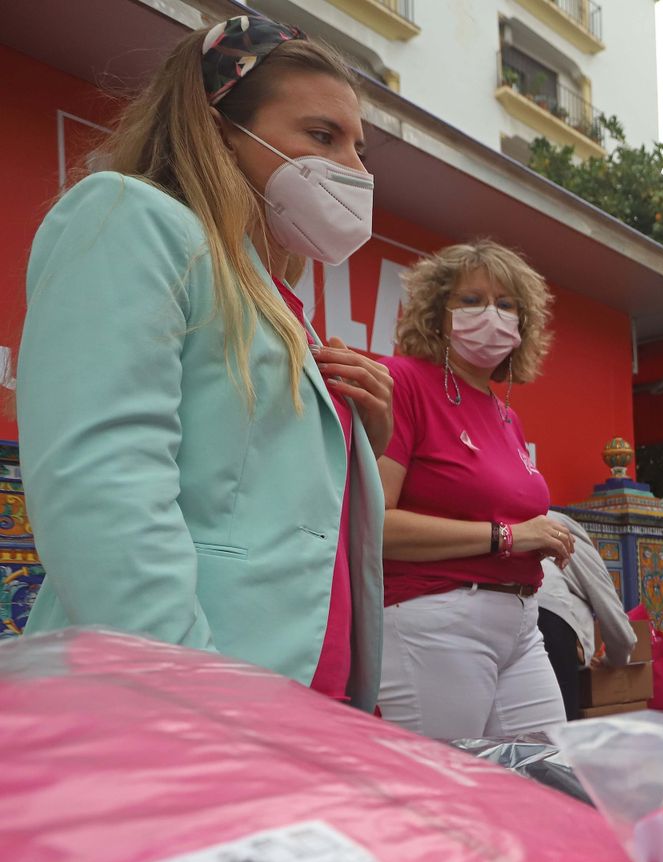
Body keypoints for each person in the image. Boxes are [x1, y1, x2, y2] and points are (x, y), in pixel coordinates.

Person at [18, 16, 391, 709]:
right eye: (322, 136)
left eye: (359, 147)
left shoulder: (277, 298)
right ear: (219, 127)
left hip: (306, 702)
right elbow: (102, 483)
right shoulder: (131, 215)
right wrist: (193, 700)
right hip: (187, 705)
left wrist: (366, 436)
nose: (356, 170)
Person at [377, 241, 576, 739]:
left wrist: (541, 537)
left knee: (551, 781)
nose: (491, 314)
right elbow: (376, 523)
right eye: (472, 300)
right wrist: (508, 536)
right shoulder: (403, 382)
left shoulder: (505, 414)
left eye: (507, 305)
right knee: (442, 796)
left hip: (520, 625)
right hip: (434, 620)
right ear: (437, 313)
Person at [533, 509, 637, 721]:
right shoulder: (569, 537)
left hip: (498, 613)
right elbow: (615, 621)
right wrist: (614, 660)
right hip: (548, 617)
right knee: (559, 729)